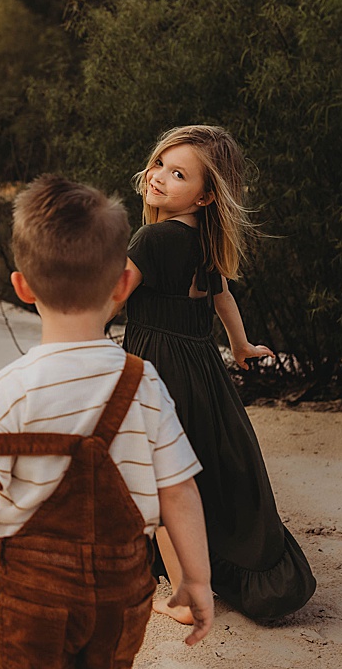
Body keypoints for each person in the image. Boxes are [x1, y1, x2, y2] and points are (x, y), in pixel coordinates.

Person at [0, 175, 213, 669]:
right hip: (123, 589)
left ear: (22, 286)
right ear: (123, 284)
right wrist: (196, 579)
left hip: (34, 590)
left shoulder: (12, 386)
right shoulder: (143, 382)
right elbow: (179, 490)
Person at [118, 125, 315, 624]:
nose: (160, 176)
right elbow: (221, 295)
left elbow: (113, 296)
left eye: (178, 173)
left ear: (206, 195)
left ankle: (184, 594)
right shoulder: (202, 238)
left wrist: (70, 327)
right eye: (161, 163)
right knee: (201, 464)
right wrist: (241, 344)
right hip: (202, 368)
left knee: (157, 475)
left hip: (157, 369)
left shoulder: (153, 237)